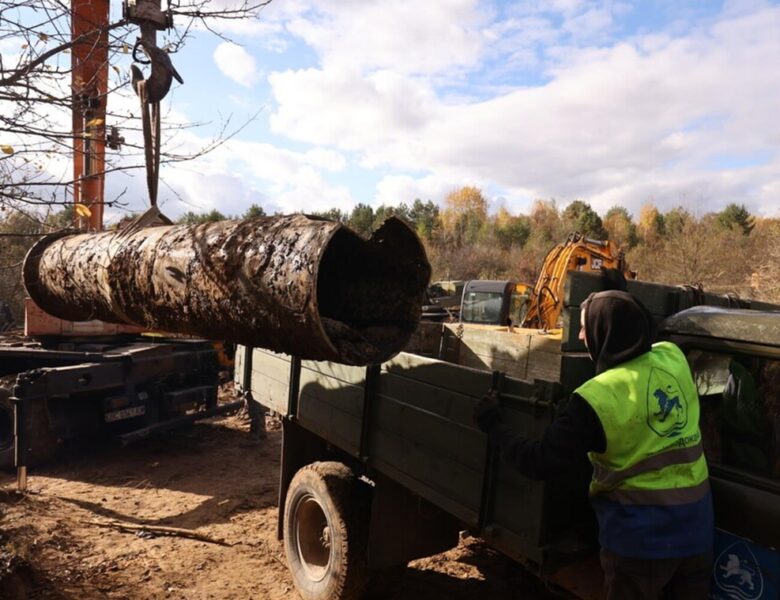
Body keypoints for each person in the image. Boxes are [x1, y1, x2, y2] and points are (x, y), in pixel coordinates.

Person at [474, 290, 713, 599]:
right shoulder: (673, 357)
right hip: (696, 530)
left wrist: (494, 426)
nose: (581, 336)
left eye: (585, 327)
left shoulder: (595, 399)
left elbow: (539, 462)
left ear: (605, 333)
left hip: (641, 543)